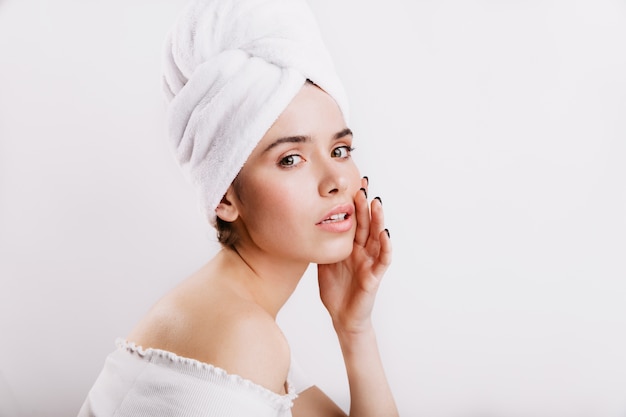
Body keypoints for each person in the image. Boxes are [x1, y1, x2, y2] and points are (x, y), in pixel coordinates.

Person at [78, 0, 398, 415]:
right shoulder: (241, 335)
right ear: (224, 196)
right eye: (291, 159)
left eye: (340, 150)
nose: (336, 180)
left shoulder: (228, 312)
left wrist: (355, 330)